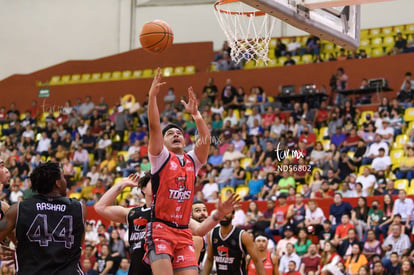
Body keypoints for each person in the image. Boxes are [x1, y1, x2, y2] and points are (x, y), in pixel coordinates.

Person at [94, 172, 239, 275]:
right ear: (143, 189)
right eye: (154, 181)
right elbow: (100, 207)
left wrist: (218, 215)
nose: (159, 184)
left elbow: (200, 229)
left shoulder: (174, 212)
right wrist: (122, 184)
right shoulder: (132, 213)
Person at [0, 162, 85, 274]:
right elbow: (79, 243)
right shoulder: (79, 208)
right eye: (63, 177)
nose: (66, 181)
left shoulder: (18, 209)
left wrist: (22, 250)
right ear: (58, 183)